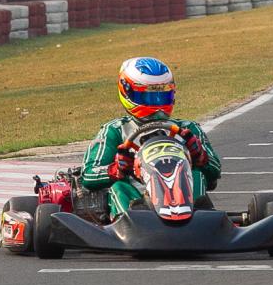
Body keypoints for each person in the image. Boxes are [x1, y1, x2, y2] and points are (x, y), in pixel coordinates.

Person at [80, 57, 222, 220]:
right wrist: (116, 169)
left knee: (198, 175)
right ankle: (129, 224)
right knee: (119, 186)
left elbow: (215, 170)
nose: (158, 104)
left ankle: (201, 221)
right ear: (127, 91)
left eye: (163, 96)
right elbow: (88, 176)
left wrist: (200, 156)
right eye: (149, 97)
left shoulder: (187, 128)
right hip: (138, 201)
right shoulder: (115, 130)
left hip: (183, 198)